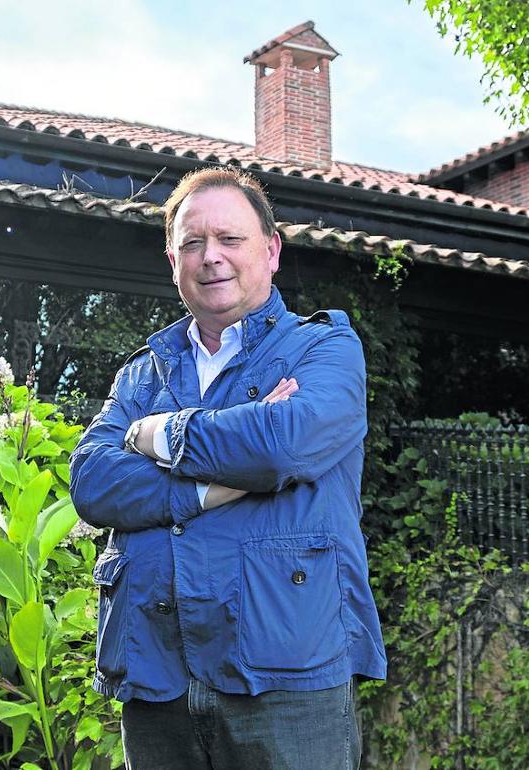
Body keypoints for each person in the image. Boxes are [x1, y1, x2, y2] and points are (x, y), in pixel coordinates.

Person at [68, 166, 387, 770]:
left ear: (271, 251)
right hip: (158, 672)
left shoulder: (325, 349)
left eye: (230, 240)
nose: (210, 257)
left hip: (286, 676)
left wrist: (160, 433)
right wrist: (213, 486)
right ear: (173, 259)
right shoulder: (144, 371)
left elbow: (282, 447)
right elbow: (92, 482)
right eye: (193, 243)